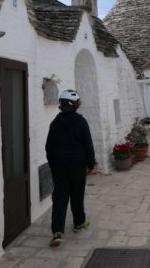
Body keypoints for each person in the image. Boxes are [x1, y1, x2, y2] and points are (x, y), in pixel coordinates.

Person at [46, 89, 96, 247]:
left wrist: (53, 163)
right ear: (76, 105)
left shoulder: (55, 123)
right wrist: (91, 163)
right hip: (77, 165)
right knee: (77, 194)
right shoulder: (81, 122)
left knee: (60, 197)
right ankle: (79, 222)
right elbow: (88, 144)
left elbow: (49, 147)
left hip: (59, 166)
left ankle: (57, 232)